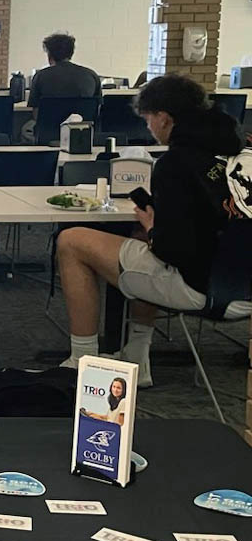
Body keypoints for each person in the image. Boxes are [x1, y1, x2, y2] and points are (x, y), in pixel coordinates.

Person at [56, 74, 244, 387]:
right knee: (138, 242)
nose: (148, 127)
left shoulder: (175, 163)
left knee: (72, 241)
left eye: (148, 119)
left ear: (165, 118)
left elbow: (172, 250)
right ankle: (136, 359)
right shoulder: (241, 149)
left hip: (205, 288)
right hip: (244, 282)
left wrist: (153, 227)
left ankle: (81, 360)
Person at [27, 32, 102, 109]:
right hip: (83, 120)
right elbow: (98, 108)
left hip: (50, 120)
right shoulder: (91, 75)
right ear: (71, 53)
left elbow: (35, 110)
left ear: (50, 55)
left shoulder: (40, 76)